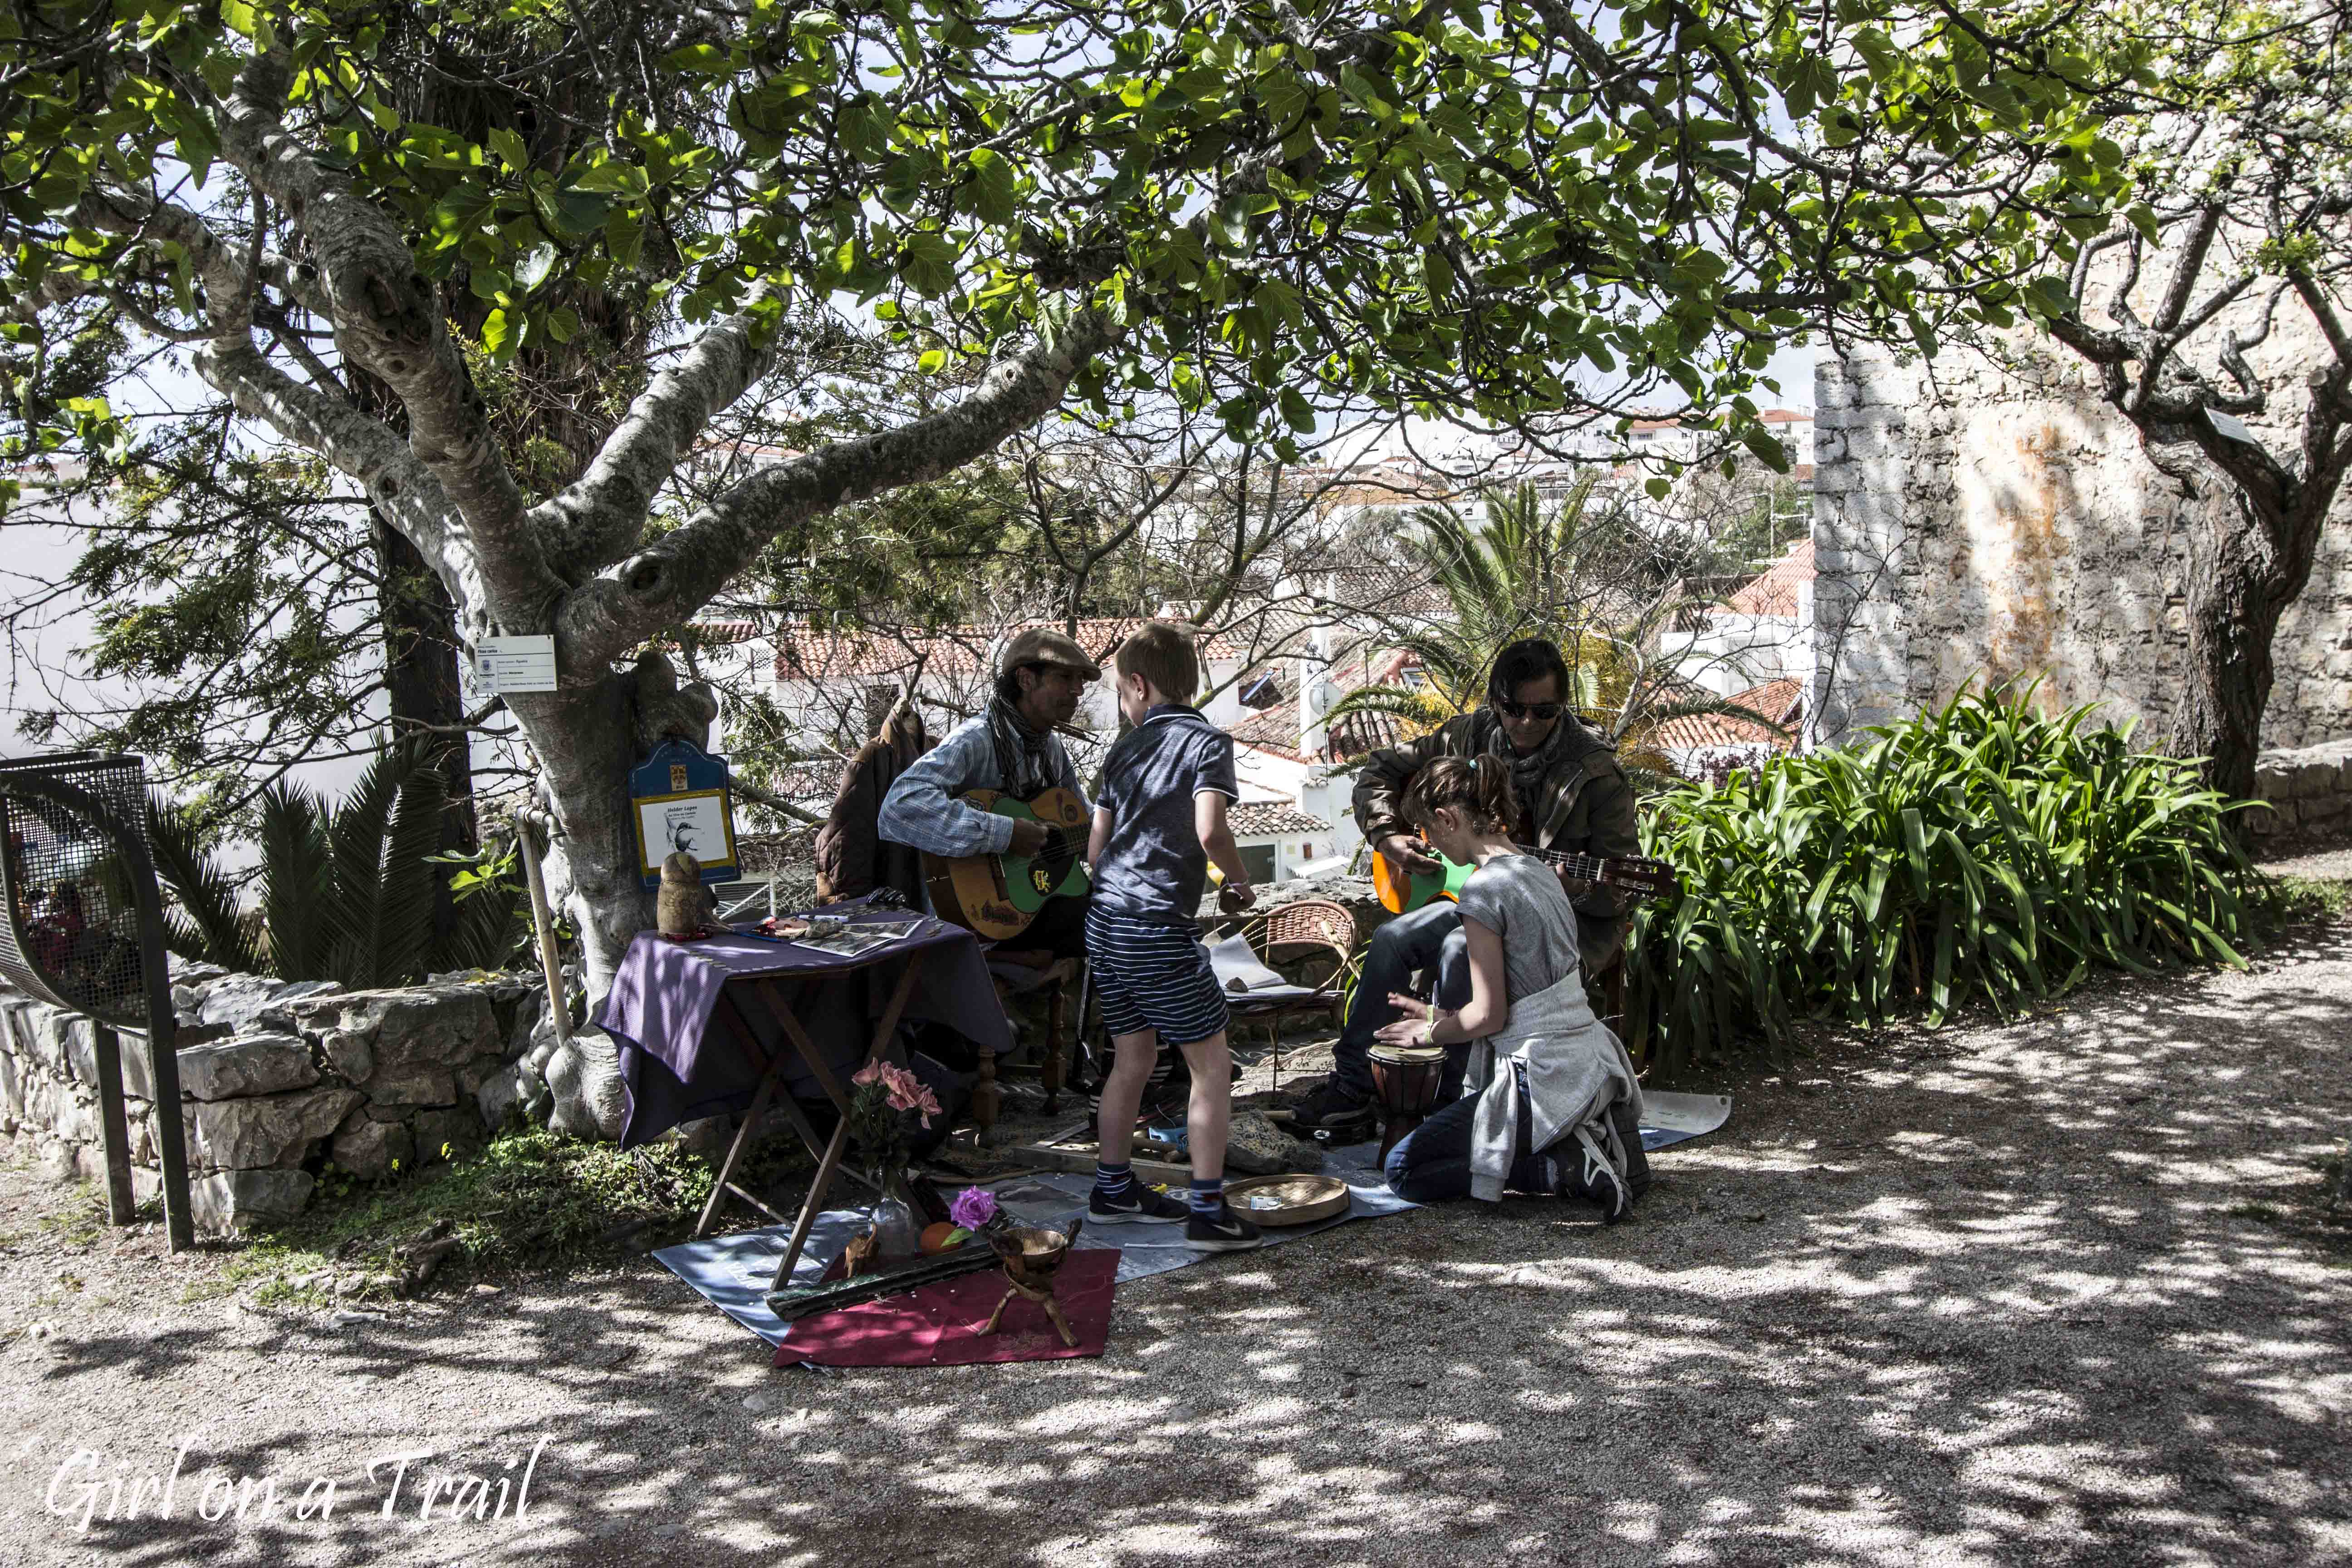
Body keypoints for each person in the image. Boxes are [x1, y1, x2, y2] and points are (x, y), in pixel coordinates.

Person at [1284, 637, 1640, 1135]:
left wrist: (1575, 889)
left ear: (1563, 707)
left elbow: (1623, 883)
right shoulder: (1468, 736)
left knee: (1458, 950)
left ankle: (1449, 1107)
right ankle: (1354, 1087)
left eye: (1545, 712)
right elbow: (1381, 770)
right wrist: (1389, 836)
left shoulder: (1595, 772)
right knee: (1390, 939)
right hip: (1475, 896)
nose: (1527, 723)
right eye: (1515, 709)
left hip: (1559, 923)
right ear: (1496, 702)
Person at [1374, 757, 1648, 1215]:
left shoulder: (1482, 891)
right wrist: (1441, 1015)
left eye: (1426, 831)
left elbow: (1490, 1017)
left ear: (1448, 819)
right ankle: (1587, 1132)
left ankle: (1566, 1165)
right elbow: (1533, 991)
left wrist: (1431, 1032)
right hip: (1589, 1055)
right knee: (1465, 1141)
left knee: (1403, 1170)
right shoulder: (1539, 872)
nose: (1428, 845)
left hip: (1539, 1073)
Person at [1080, 622, 1264, 1250]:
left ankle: (1112, 1188)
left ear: (1138, 684)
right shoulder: (1207, 744)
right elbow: (1211, 832)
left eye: (1122, 694)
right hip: (1157, 926)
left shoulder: (1126, 749)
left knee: (1132, 1058)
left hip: (1106, 921)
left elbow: (1096, 847)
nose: (1124, 704)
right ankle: (1209, 1211)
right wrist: (1239, 883)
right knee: (1211, 1067)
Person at [876, 627, 1098, 962]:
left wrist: (1134, 824)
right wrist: (1004, 834)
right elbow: (899, 806)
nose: (1078, 690)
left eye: (1081, 680)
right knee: (1109, 923)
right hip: (978, 922)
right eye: (1066, 677)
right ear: (1025, 680)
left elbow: (1083, 819)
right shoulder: (976, 740)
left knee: (1122, 906)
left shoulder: (1050, 747)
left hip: (1034, 907)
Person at [814, 697, 931, 907]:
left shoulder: (940, 753)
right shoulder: (870, 760)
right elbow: (847, 845)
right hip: (893, 896)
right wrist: (854, 908)